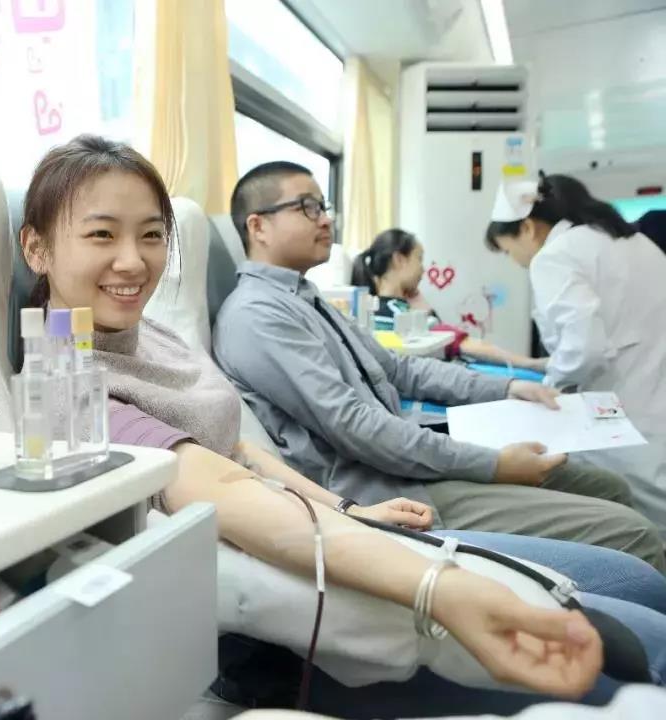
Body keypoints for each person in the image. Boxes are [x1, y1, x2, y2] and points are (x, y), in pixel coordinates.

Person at [14, 135, 666, 713]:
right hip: (283, 619)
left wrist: (346, 508)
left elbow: (238, 447)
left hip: (330, 526)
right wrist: (439, 587)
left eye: (152, 235)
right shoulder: (67, 385)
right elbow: (228, 489)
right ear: (36, 248)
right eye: (102, 235)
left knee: (634, 582)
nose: (133, 262)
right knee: (641, 636)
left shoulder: (159, 335)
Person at [210, 160, 665, 573]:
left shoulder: (306, 299)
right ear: (258, 226)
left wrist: (507, 389)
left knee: (608, 486)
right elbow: (356, 427)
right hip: (390, 490)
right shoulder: (258, 315)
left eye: (324, 206)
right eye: (308, 207)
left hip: (406, 464)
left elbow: (401, 369)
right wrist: (496, 465)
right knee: (635, 533)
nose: (326, 219)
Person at [486, 174, 666, 539]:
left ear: (527, 228)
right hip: (652, 385)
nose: (515, 261)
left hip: (624, 404)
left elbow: (585, 347)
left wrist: (550, 385)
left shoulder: (555, 255)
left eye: (507, 250)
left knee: (640, 511)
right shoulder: (633, 241)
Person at [350, 228, 546, 371]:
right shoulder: (400, 314)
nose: (423, 269)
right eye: (419, 259)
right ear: (399, 260)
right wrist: (531, 363)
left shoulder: (372, 311)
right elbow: (463, 344)